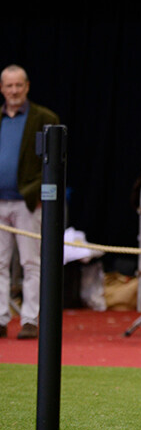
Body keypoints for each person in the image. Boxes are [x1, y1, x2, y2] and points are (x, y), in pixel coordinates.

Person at [0, 65, 59, 340]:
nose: (13, 91)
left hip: (27, 204)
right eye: (9, 86)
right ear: (2, 88)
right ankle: (1, 318)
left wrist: (36, 194)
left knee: (31, 263)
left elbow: (53, 165)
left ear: (27, 87)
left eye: (18, 86)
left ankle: (30, 320)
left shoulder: (44, 118)